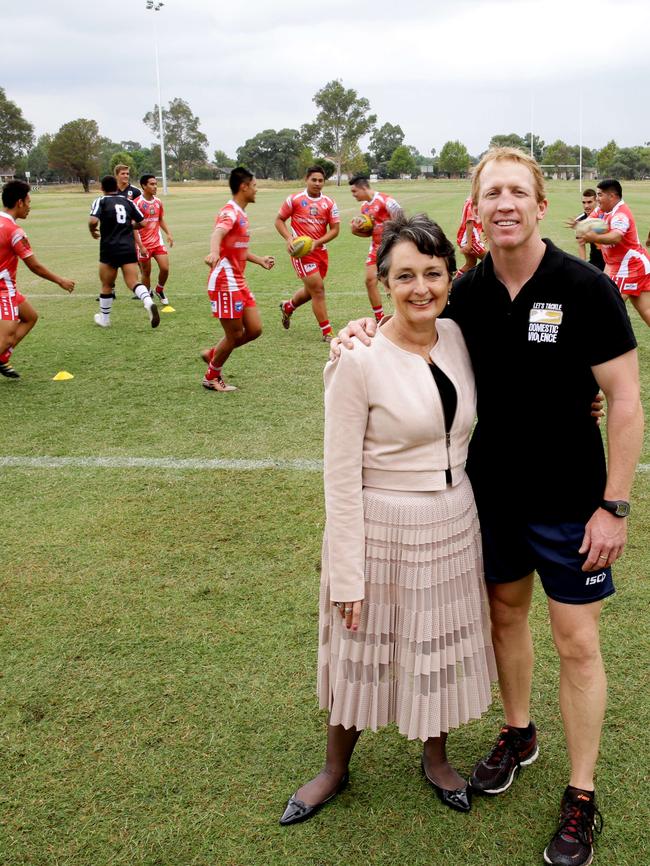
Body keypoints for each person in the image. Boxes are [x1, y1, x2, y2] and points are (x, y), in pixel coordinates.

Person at [331, 147, 643, 866]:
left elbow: (625, 400)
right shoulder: (464, 292)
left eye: (517, 191)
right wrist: (356, 330)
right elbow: (407, 329)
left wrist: (614, 506)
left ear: (540, 203)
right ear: (478, 209)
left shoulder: (585, 286)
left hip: (572, 504)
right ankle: (519, 730)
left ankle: (582, 794)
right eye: (491, 193)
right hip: (490, 501)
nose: (504, 203)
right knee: (505, 618)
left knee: (577, 643)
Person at [279, 214, 497, 827]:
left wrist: (585, 397)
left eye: (433, 274)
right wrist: (346, 573)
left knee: (437, 638)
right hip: (380, 526)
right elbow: (340, 475)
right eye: (405, 276)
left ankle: (436, 757)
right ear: (382, 282)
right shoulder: (358, 359)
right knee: (360, 646)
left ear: (450, 279)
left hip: (454, 518)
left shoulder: (457, 336)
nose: (420, 287)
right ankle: (333, 769)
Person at [201, 167, 274, 392]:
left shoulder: (242, 214)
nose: (256, 189)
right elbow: (218, 233)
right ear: (244, 187)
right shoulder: (230, 212)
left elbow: (237, 249)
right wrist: (213, 252)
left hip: (238, 280)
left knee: (254, 329)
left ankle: (214, 354)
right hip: (225, 282)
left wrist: (259, 259)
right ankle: (211, 377)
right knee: (234, 335)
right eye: (254, 185)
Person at [0, 180, 75, 379]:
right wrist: (60, 280)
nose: (30, 207)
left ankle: (2, 358)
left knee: (30, 316)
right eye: (29, 202)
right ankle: (3, 352)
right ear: (19, 202)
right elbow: (34, 266)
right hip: (3, 289)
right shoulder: (15, 232)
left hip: (9, 289)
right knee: (6, 338)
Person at [276, 166, 340, 342]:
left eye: (321, 181)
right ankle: (327, 332)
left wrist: (317, 243)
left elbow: (335, 230)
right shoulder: (294, 200)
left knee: (311, 290)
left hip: (320, 252)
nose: (317, 183)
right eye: (314, 180)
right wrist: (289, 238)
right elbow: (279, 220)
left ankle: (288, 307)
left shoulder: (329, 203)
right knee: (318, 289)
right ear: (306, 179)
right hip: (301, 253)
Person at [89, 175, 160, 329]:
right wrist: (127, 227)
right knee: (133, 282)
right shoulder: (128, 201)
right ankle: (148, 302)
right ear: (116, 186)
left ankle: (105, 319)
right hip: (128, 247)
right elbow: (142, 223)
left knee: (107, 284)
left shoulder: (100, 201)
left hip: (109, 248)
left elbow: (93, 220)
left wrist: (92, 231)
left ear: (102, 188)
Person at [579, 178, 650, 326]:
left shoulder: (620, 214)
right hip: (622, 266)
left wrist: (594, 236)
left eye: (599, 195)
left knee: (605, 306)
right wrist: (581, 225)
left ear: (612, 196)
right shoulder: (602, 210)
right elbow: (589, 220)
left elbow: (616, 237)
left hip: (631, 267)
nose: (597, 199)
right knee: (646, 311)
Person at [348, 175, 402, 321]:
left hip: (392, 247)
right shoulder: (364, 207)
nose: (353, 195)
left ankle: (402, 314)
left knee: (394, 282)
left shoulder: (387, 201)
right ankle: (380, 318)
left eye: (354, 191)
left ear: (363, 187)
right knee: (370, 281)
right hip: (375, 248)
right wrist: (356, 230)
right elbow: (370, 232)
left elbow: (402, 221)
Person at [135, 174, 174, 306]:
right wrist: (140, 246)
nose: (155, 186)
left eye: (155, 183)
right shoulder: (137, 203)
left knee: (165, 268)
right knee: (146, 273)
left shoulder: (158, 202)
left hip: (157, 242)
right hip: (143, 244)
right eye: (152, 184)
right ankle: (147, 298)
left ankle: (159, 290)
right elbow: (133, 227)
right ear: (144, 186)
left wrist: (168, 233)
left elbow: (160, 219)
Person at [567, 188, 605, 270]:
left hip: (613, 261)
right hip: (596, 261)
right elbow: (581, 245)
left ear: (597, 202)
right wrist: (583, 267)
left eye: (589, 202)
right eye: (584, 202)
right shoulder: (580, 221)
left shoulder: (605, 215)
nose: (586, 206)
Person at [456, 195, 487, 274]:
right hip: (470, 239)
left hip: (466, 238)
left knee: (470, 264)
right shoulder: (472, 202)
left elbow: (476, 220)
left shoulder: (472, 199)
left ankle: (454, 285)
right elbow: (469, 222)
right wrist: (469, 244)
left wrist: (485, 231)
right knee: (490, 260)